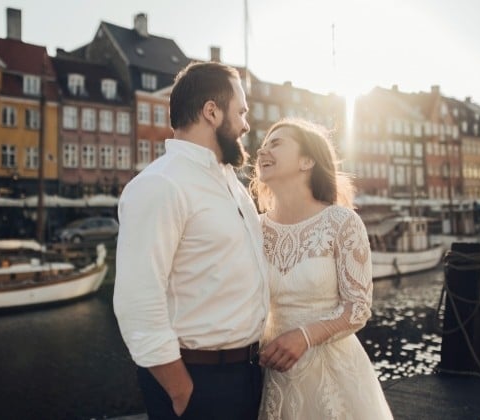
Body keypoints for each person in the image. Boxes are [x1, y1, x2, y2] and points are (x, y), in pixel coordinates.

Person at [113, 61, 269, 420]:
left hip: (244, 374)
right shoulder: (161, 185)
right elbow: (138, 300)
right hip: (197, 381)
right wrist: (181, 389)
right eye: (241, 111)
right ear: (211, 112)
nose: (246, 124)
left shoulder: (231, 183)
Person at [250, 118, 393, 419]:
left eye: (276, 143)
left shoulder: (341, 222)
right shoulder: (255, 228)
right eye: (262, 146)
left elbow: (358, 309)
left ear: (307, 160)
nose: (263, 151)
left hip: (332, 371)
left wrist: (304, 336)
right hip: (273, 372)